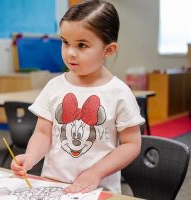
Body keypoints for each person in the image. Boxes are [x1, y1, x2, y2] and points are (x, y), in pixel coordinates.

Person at [11, 0, 144, 194]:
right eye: (65, 42)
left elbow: (132, 144)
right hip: (53, 186)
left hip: (98, 190)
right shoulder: (54, 86)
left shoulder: (119, 93)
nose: (70, 53)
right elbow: (42, 133)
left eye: (82, 45)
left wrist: (96, 172)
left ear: (108, 50)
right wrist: (30, 157)